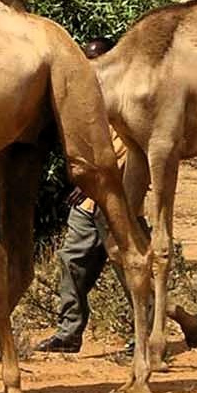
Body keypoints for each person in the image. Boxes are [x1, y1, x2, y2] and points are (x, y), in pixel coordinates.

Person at [39, 37, 119, 353]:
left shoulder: (124, 97)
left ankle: (158, 329)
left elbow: (125, 152)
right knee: (71, 260)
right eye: (87, 60)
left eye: (95, 59)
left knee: (128, 267)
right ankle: (69, 332)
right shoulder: (84, 99)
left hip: (120, 201)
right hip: (86, 203)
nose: (90, 66)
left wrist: (95, 183)